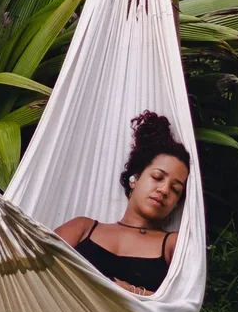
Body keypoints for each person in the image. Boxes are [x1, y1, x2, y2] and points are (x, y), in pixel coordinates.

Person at [55, 111, 189, 297]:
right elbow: (39, 267)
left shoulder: (172, 244)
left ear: (176, 204)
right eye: (157, 177)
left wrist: (129, 291)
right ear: (135, 179)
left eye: (175, 189)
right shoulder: (83, 227)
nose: (164, 190)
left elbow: (181, 303)